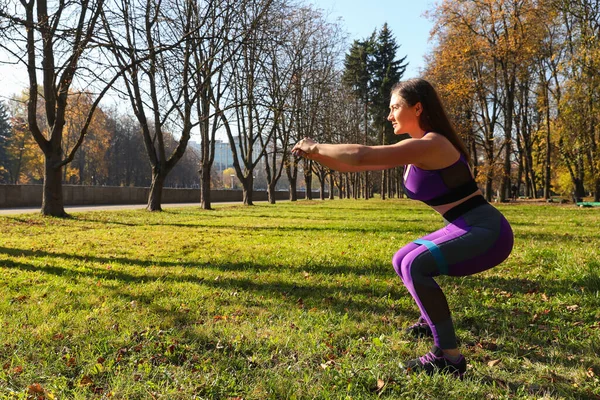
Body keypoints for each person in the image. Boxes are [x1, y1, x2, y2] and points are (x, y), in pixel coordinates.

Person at [292, 78, 513, 377]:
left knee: (415, 265)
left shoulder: (432, 144)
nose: (389, 115)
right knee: (401, 259)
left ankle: (451, 359)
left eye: (395, 107)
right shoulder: (415, 150)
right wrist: (315, 154)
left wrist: (315, 145)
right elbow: (353, 164)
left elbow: (361, 155)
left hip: (487, 231)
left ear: (418, 108)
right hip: (463, 224)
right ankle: (430, 320)